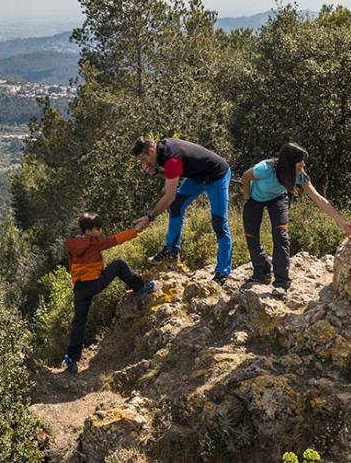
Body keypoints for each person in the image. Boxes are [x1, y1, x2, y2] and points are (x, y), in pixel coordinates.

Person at [241, 143, 351, 298]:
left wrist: (342, 222)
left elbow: (318, 199)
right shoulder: (265, 168)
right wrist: (247, 197)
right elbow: (246, 176)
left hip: (277, 200)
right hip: (255, 200)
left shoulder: (299, 175)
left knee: (281, 237)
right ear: (288, 161)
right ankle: (262, 272)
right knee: (252, 237)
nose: (303, 164)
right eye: (299, 161)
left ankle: (281, 283)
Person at [132, 136, 233, 284]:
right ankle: (172, 250)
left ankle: (222, 272)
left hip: (216, 176)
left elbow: (169, 196)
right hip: (197, 177)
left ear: (152, 150)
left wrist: (149, 217)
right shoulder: (162, 150)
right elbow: (174, 174)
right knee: (177, 205)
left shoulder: (171, 158)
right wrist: (155, 172)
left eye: (143, 159)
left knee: (219, 223)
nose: (143, 163)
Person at [63, 212, 155, 374]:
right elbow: (116, 240)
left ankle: (71, 359)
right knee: (119, 265)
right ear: (89, 231)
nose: (101, 230)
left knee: (79, 322)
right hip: (96, 283)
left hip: (80, 289)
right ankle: (140, 288)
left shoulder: (73, 244)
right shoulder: (94, 242)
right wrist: (135, 231)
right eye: (98, 228)